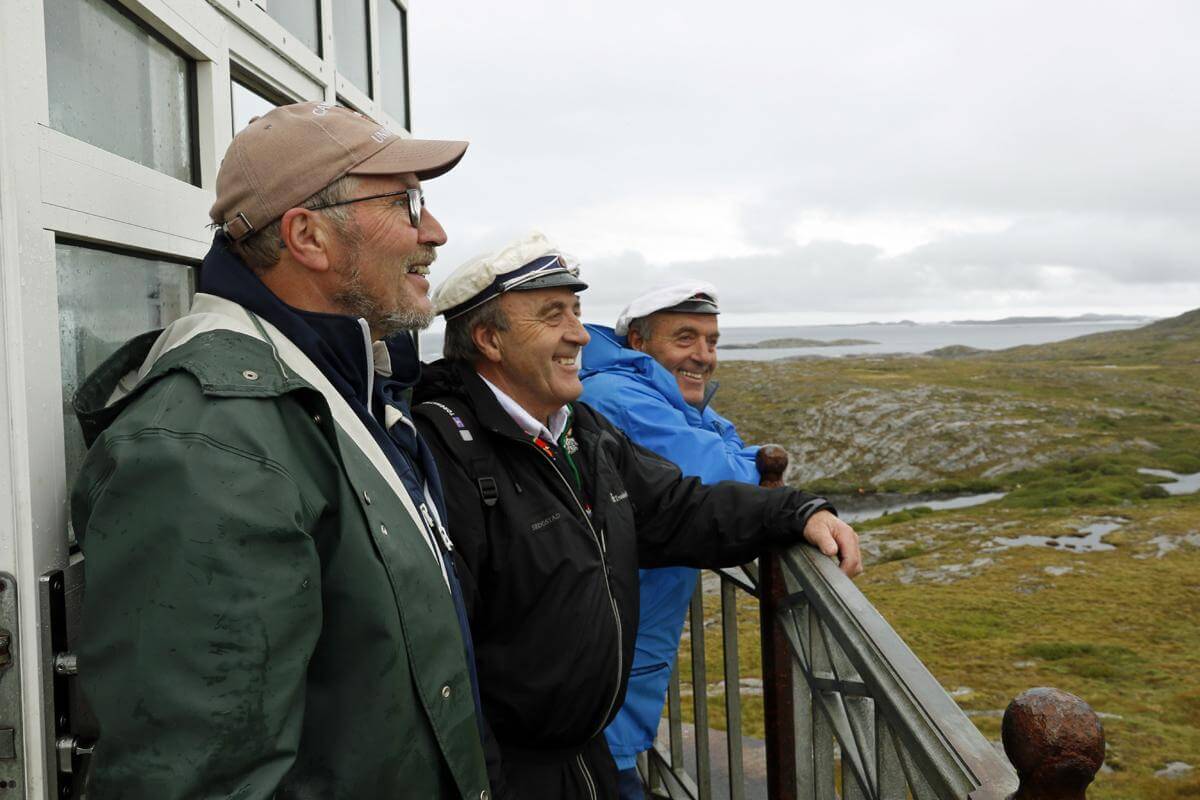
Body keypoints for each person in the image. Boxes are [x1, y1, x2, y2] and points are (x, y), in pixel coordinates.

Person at [69, 102, 491, 799]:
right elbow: (195, 777)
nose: (436, 233)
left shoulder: (342, 386)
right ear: (308, 237)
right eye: (408, 203)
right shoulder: (214, 443)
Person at [412, 232, 862, 799]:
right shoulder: (441, 449)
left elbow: (677, 507)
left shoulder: (579, 431)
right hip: (507, 771)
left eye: (577, 312)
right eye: (554, 315)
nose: (579, 333)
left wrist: (796, 511)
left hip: (584, 751)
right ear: (488, 339)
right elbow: (439, 654)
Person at [578, 281, 764, 798]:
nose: (703, 356)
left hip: (624, 656)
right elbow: (726, 474)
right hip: (610, 662)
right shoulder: (621, 396)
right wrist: (736, 453)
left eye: (712, 340)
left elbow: (724, 440)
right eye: (685, 338)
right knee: (606, 774)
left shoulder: (651, 392)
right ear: (638, 342)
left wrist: (725, 444)